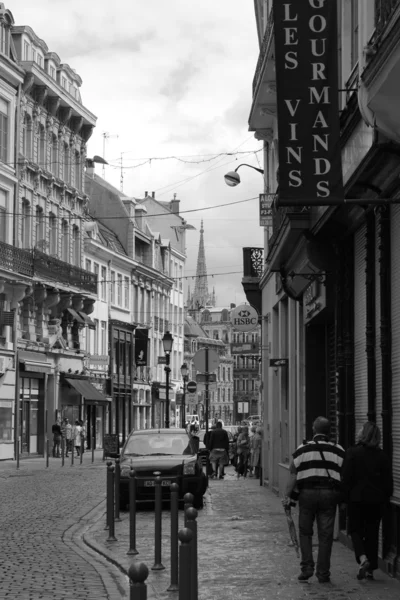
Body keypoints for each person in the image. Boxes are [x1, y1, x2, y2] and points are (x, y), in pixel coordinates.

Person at [283, 416, 345, 584]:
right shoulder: (338, 450)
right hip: (329, 495)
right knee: (325, 535)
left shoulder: (302, 449)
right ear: (329, 431)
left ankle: (307, 568)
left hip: (307, 494)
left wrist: (287, 495)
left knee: (305, 532)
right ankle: (323, 573)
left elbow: (293, 475)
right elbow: (343, 475)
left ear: (314, 430)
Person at [341, 421, 393, 580]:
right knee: (372, 532)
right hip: (376, 501)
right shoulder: (383, 456)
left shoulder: (352, 453)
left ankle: (363, 558)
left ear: (364, 434)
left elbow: (346, 478)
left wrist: (343, 499)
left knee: (355, 530)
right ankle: (370, 568)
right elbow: (388, 483)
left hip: (356, 500)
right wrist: (385, 499)